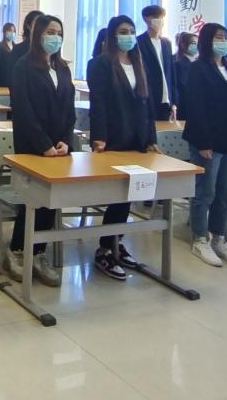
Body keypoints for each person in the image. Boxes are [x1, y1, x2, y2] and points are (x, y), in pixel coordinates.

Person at [5, 14, 75, 286]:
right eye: (50, 32)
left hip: (59, 149)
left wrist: (65, 141)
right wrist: (43, 144)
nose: (55, 37)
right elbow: (23, 110)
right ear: (38, 35)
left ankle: (38, 252)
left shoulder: (63, 68)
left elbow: (69, 110)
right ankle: (17, 250)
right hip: (32, 147)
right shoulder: (23, 66)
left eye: (59, 32)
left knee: (50, 202)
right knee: (32, 201)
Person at [87, 14, 155, 279]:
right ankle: (105, 249)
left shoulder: (139, 62)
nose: (128, 36)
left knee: (129, 195)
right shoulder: (101, 63)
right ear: (113, 35)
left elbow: (147, 104)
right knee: (118, 196)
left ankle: (116, 241)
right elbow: (98, 103)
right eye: (123, 31)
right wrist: (99, 137)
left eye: (131, 31)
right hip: (113, 138)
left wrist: (151, 139)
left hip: (137, 141)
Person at [180, 23, 227, 267]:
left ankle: (219, 237)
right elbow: (196, 106)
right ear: (208, 40)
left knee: (224, 193)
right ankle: (200, 238)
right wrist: (203, 141)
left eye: (226, 37)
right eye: (218, 37)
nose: (223, 41)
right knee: (205, 192)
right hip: (207, 139)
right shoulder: (198, 68)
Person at [137, 5, 177, 122]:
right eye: (155, 17)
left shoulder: (166, 43)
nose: (159, 20)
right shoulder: (139, 42)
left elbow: (171, 74)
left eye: (161, 17)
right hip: (149, 99)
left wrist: (174, 102)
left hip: (166, 100)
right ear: (146, 19)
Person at [9, 9, 43, 80]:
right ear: (28, 25)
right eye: (37, 23)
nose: (40, 27)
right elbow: (13, 76)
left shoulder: (47, 48)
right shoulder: (18, 49)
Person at [173, 31, 197, 112]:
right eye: (193, 43)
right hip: (186, 106)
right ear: (183, 45)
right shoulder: (179, 64)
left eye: (198, 43)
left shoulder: (200, 63)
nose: (196, 46)